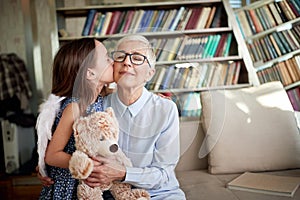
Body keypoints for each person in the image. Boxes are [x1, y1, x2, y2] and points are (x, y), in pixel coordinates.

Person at [38, 35, 186, 200]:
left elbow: (164, 173)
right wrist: (45, 167)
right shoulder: (95, 104)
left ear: (150, 74)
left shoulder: (164, 109)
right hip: (97, 190)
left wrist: (122, 173)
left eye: (137, 58)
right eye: (119, 57)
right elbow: (54, 148)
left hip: (159, 195)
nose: (127, 62)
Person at [36, 38, 114, 199]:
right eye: (107, 58)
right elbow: (52, 155)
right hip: (69, 188)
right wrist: (89, 165)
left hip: (92, 185)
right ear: (90, 73)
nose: (112, 61)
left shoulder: (103, 99)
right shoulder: (74, 108)